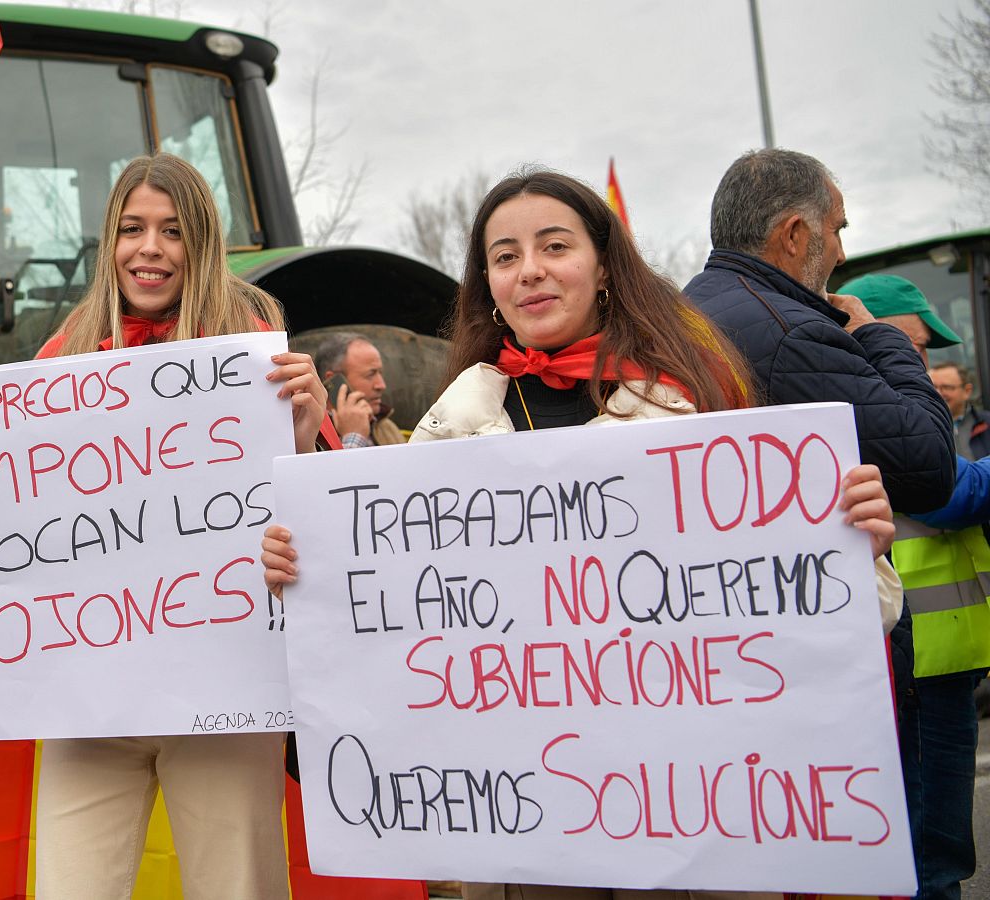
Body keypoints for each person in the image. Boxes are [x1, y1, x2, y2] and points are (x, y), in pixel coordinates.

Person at [261, 168, 899, 900]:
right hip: (527, 821)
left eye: (555, 246)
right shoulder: (446, 434)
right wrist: (305, 576)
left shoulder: (700, 407)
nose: (530, 270)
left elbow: (812, 613)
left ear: (604, 268)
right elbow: (387, 630)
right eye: (505, 257)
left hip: (692, 813)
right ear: (489, 285)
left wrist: (852, 545)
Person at [0, 152, 327, 900]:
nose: (150, 248)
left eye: (173, 230)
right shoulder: (63, 355)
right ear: (110, 241)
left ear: (202, 241)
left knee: (237, 887)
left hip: (222, 692)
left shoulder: (254, 345)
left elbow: (314, 521)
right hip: (90, 700)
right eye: (132, 229)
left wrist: (306, 435)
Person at [683, 148, 955, 515]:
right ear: (794, 235)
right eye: (836, 230)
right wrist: (876, 333)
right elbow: (931, 467)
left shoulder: (680, 311)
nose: (840, 254)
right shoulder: (795, 336)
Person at [845, 274, 988, 900]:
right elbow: (953, 493)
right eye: (913, 348)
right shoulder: (878, 419)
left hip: (936, 664)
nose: (922, 367)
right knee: (931, 859)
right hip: (918, 669)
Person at [314, 331, 406, 447]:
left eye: (380, 373)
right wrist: (354, 435)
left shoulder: (387, 427)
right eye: (370, 374)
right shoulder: (312, 434)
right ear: (333, 380)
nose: (381, 385)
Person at [928, 362, 990, 460]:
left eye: (946, 387)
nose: (938, 393)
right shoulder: (919, 426)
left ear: (967, 391)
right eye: (933, 387)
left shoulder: (987, 423)